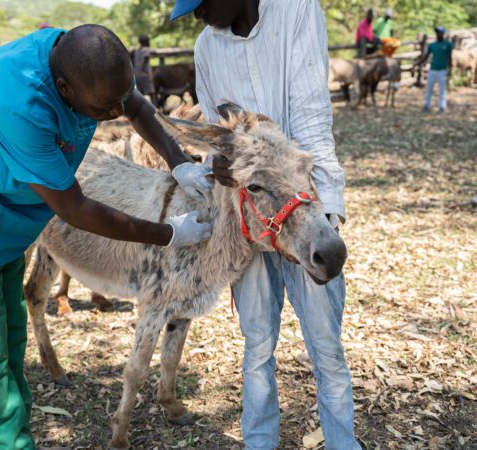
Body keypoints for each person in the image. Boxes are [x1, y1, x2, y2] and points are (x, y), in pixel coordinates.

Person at [0, 25, 213, 449]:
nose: (115, 111)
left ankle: (14, 433)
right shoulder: (18, 104)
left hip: (3, 218)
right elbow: (75, 208)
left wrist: (179, 162)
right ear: (64, 88)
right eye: (104, 107)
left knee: (9, 343)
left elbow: (135, 106)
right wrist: (168, 233)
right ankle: (6, 441)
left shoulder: (88, 59)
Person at [171, 1, 360, 449]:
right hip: (249, 218)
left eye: (201, 3)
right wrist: (215, 165)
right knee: (256, 348)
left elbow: (312, 115)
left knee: (327, 348)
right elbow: (222, 135)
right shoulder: (206, 47)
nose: (198, 16)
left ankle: (342, 443)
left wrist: (325, 213)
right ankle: (258, 443)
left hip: (303, 208)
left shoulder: (296, 10)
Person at [416, 26, 453, 113]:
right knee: (429, 88)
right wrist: (418, 63)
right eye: (437, 33)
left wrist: (450, 69)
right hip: (433, 69)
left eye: (439, 32)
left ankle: (442, 107)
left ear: (443, 34)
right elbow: (426, 56)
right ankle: (427, 105)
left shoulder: (448, 44)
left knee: (442, 89)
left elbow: (450, 58)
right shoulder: (432, 45)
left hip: (442, 70)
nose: (438, 34)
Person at [133, 34, 156, 104]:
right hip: (145, 75)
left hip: (136, 74)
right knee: (152, 94)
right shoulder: (146, 50)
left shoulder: (137, 51)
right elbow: (153, 53)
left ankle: (140, 109)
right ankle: (156, 109)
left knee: (140, 94)